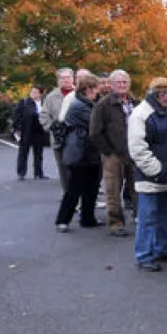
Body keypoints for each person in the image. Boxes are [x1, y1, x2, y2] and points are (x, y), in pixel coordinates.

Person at [129, 78, 167, 272]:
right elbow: (137, 147)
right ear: (162, 94)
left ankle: (162, 248)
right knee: (148, 218)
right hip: (150, 176)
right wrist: (156, 170)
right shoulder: (141, 114)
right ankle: (144, 255)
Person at [89, 70, 137, 238]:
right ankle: (116, 223)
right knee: (113, 190)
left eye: (125, 82)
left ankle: (140, 218)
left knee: (136, 187)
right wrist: (108, 151)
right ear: (111, 85)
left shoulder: (136, 103)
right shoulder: (103, 105)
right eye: (118, 82)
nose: (122, 85)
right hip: (113, 154)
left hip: (133, 152)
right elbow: (95, 132)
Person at [53, 75, 103, 232]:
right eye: (95, 89)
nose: (97, 92)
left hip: (89, 151)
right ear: (88, 89)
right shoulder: (80, 105)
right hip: (79, 151)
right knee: (75, 187)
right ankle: (63, 220)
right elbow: (96, 124)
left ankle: (88, 218)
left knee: (92, 186)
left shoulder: (86, 103)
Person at [39, 67, 74, 192]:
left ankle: (82, 196)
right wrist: (51, 127)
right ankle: (68, 195)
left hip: (77, 138)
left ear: (72, 78)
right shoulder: (52, 96)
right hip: (59, 139)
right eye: (62, 78)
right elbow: (43, 115)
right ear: (58, 80)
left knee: (79, 168)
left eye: (68, 77)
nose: (65, 80)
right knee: (64, 169)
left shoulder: (79, 93)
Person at [12, 85, 49, 180]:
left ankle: (38, 173)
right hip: (26, 131)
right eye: (32, 91)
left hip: (40, 131)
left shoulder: (45, 103)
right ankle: (21, 173)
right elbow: (16, 116)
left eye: (36, 92)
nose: (33, 93)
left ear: (41, 94)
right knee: (23, 153)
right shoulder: (24, 103)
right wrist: (17, 128)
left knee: (38, 154)